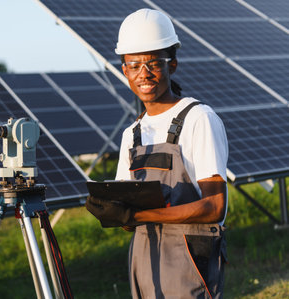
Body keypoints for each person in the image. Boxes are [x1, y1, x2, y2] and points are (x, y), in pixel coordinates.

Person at [85, 8, 229, 299]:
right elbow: (128, 219)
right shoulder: (132, 134)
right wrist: (115, 212)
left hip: (189, 262)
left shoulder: (198, 119)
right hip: (144, 258)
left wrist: (139, 214)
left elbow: (215, 207)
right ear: (124, 70)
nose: (144, 74)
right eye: (134, 65)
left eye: (153, 63)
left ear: (172, 64)